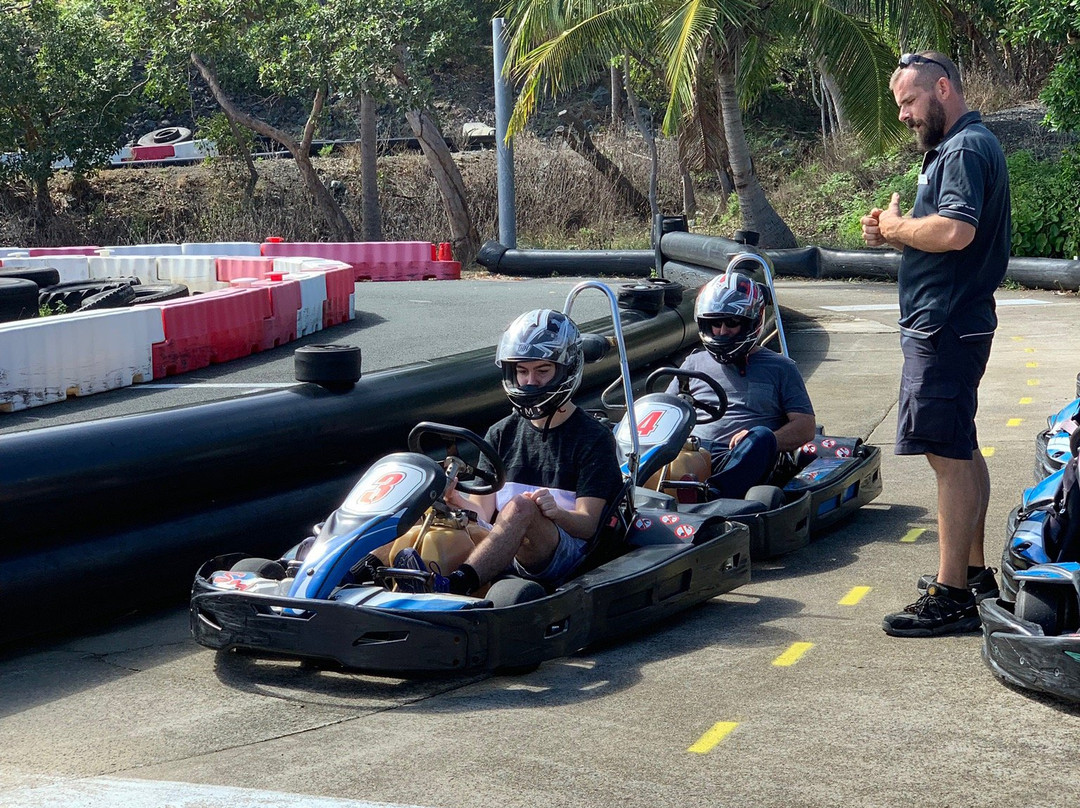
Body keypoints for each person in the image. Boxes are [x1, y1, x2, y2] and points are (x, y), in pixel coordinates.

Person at [861, 51, 1010, 637]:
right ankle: (972, 577)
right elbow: (942, 237)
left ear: (942, 88)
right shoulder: (956, 149)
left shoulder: (966, 148)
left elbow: (956, 230)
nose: (904, 116)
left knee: (946, 458)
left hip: (945, 325)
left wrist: (899, 230)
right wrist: (896, 234)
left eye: (909, 103)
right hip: (950, 320)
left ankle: (951, 594)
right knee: (960, 448)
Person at [421, 308, 625, 595]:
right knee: (422, 497)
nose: (530, 381)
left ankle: (458, 585)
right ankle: (363, 573)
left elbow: (589, 525)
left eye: (542, 371)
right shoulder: (501, 432)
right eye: (522, 371)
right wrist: (452, 498)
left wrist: (555, 513)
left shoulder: (594, 438)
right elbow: (482, 512)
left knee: (520, 506)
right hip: (503, 542)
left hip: (566, 552)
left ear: (565, 369)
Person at [666, 271, 816, 499]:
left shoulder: (781, 367)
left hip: (743, 455)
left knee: (761, 437)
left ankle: (714, 495)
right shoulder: (693, 362)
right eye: (715, 323)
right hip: (691, 453)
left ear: (751, 322)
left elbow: (805, 426)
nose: (722, 331)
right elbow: (666, 410)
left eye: (732, 322)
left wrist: (767, 439)